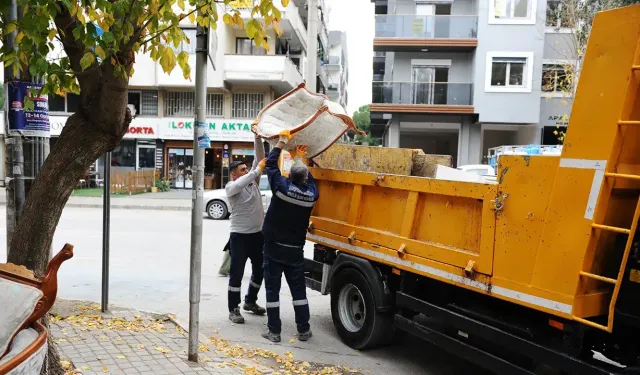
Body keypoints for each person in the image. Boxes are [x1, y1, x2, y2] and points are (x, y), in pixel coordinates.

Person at [261, 131, 319, 343]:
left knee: (272, 291)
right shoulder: (312, 195)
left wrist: (281, 143)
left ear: (290, 176)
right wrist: (299, 158)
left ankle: (274, 332)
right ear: (304, 178)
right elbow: (310, 180)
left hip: (274, 248)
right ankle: (303, 330)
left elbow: (270, 166)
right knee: (298, 292)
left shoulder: (282, 188)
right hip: (295, 250)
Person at [225, 134, 267, 324]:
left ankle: (250, 301)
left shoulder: (253, 182)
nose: (247, 170)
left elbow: (259, 159)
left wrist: (257, 138)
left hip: (257, 235)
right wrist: (256, 171)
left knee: (260, 270)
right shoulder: (231, 187)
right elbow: (254, 170)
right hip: (239, 237)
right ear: (235, 174)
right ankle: (233, 309)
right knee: (237, 273)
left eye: (246, 168)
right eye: (242, 169)